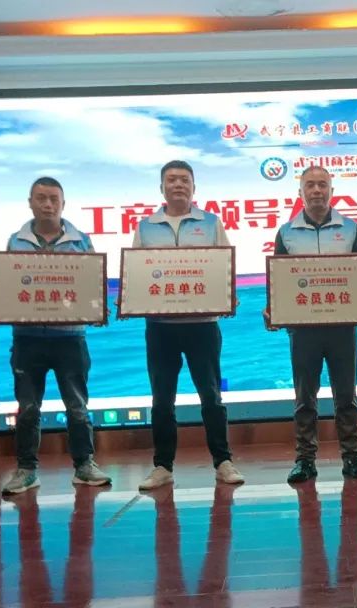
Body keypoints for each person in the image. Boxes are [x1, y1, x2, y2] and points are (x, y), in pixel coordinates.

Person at [0, 177, 111, 495]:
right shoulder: (16, 241)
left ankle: (84, 465)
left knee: (77, 406)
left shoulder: (81, 240)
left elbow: (93, 284)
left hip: (70, 338)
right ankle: (26, 470)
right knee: (27, 408)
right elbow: (9, 287)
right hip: (27, 338)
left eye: (54, 198)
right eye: (41, 198)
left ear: (63, 204)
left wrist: (98, 306)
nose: (48, 204)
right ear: (30, 202)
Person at [133, 160, 245, 489]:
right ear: (162, 187)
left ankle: (223, 461)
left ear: (194, 187)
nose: (178, 184)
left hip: (203, 325)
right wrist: (131, 298)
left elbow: (225, 266)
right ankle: (162, 466)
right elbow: (137, 273)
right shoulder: (145, 227)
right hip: (160, 326)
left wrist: (228, 296)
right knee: (161, 399)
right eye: (172, 179)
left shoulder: (211, 223)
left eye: (184, 179)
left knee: (211, 396)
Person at [271, 166, 357, 483]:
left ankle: (353, 457)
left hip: (342, 328)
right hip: (303, 330)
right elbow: (279, 283)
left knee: (346, 396)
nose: (316, 190)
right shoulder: (286, 232)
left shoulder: (350, 228)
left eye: (322, 185)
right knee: (305, 398)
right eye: (310, 185)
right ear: (300, 192)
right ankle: (304, 460)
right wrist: (274, 310)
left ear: (332, 190)